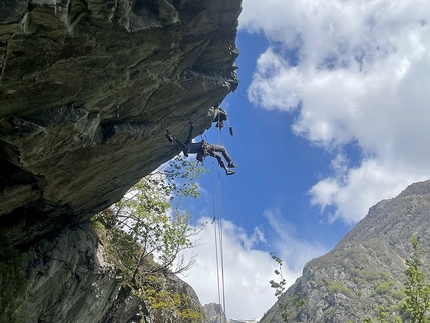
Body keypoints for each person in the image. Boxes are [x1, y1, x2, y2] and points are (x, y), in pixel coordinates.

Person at [166, 123, 238, 176]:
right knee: (222, 149)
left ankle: (226, 169)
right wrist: (174, 138)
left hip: (205, 150)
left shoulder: (188, 145)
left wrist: (192, 126)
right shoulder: (187, 148)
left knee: (219, 156)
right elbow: (181, 144)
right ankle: (229, 164)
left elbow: (189, 136)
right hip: (206, 148)